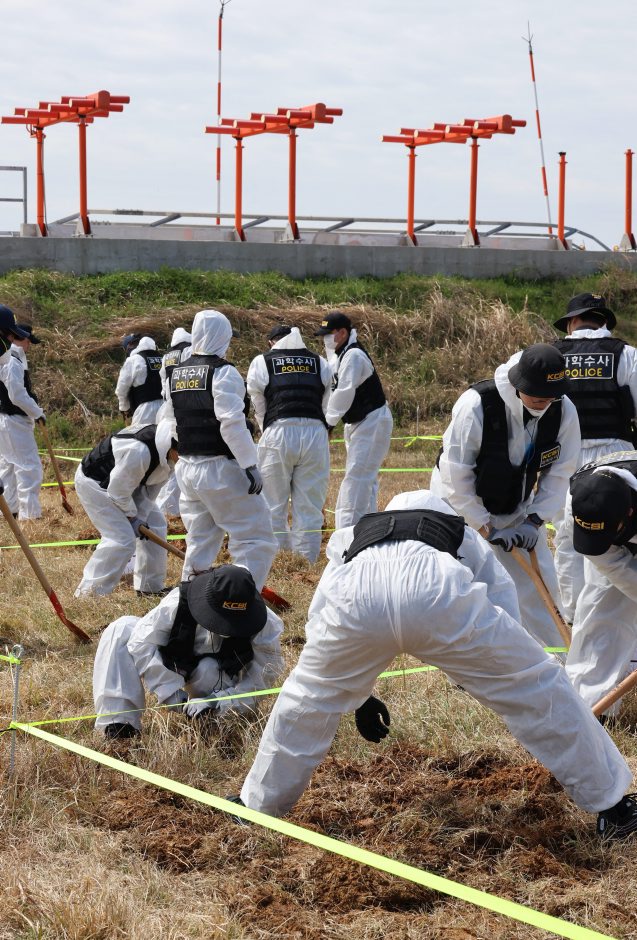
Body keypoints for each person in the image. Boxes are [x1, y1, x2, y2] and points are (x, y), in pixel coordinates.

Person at [236, 489, 637, 840]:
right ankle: (613, 807)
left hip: (356, 602)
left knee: (304, 701)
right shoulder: (460, 532)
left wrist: (356, 692)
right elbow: (501, 600)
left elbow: (320, 614)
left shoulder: (353, 534)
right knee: (541, 687)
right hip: (437, 595)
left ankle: (256, 806)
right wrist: (503, 668)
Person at [430, 343, 580, 649]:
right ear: (517, 384)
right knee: (469, 585)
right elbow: (456, 473)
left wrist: (534, 521)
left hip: (516, 506)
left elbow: (560, 472)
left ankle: (559, 657)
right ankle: (477, 658)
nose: (544, 402)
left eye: (550, 395)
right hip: (459, 507)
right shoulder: (477, 404)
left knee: (540, 585)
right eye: (536, 394)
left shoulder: (563, 410)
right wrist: (484, 527)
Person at [93, 564, 284, 739]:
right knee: (122, 628)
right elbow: (141, 642)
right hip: (173, 660)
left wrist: (218, 701)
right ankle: (118, 725)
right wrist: (170, 692)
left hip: (218, 678)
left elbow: (261, 680)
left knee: (208, 668)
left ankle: (209, 723)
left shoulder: (265, 623)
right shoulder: (177, 602)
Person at [162, 309, 277, 590]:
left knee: (200, 539)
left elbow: (172, 421)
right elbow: (231, 423)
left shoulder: (176, 373)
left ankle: (189, 600)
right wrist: (250, 464)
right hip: (220, 468)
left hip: (188, 469)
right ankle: (241, 600)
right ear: (221, 337)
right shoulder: (223, 372)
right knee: (254, 539)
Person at [552, 292, 637, 621]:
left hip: (565, 458)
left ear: (572, 322)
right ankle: (607, 616)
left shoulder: (553, 355)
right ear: (603, 321)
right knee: (609, 534)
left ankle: (573, 616)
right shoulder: (626, 355)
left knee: (568, 535)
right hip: (616, 456)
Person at [246, 324, 331, 562]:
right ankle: (306, 559)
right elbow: (326, 403)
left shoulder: (262, 361)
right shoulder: (319, 362)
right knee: (310, 506)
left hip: (278, 432)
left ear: (272, 342)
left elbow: (258, 402)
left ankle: (278, 558)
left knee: (273, 503)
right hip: (315, 433)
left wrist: (267, 427)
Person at [565, 451, 637, 720]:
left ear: (628, 513)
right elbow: (613, 566)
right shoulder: (580, 497)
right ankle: (589, 707)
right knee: (602, 610)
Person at [74, 421, 177, 597]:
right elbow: (117, 492)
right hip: (97, 485)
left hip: (127, 486)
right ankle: (89, 595)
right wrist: (131, 518)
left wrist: (140, 517)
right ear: (172, 446)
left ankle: (149, 588)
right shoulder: (139, 451)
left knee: (156, 525)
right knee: (121, 538)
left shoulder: (169, 457)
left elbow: (150, 491)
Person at [314, 311, 393, 529]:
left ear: (342, 333)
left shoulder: (354, 356)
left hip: (372, 421)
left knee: (357, 478)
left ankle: (346, 532)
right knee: (365, 478)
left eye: (328, 334)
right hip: (356, 423)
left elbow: (344, 392)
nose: (325, 339)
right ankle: (368, 529)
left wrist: (329, 423)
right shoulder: (339, 356)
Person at [0, 306, 45, 520]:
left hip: (4, 419)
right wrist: (37, 412)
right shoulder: (13, 360)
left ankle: (10, 511)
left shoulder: (7, 359)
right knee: (29, 467)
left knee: (8, 466)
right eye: (27, 340)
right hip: (14, 420)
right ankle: (30, 515)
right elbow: (17, 395)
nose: (29, 345)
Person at [157, 327, 192, 517]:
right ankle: (170, 509)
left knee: (170, 459)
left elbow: (163, 383)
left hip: (166, 409)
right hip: (184, 409)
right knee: (181, 459)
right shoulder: (189, 349)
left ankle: (167, 507)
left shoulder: (167, 356)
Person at [116, 334, 164, 425]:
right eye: (132, 344)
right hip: (165, 408)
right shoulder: (162, 358)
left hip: (145, 411)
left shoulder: (133, 360)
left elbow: (122, 388)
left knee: (143, 434)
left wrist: (124, 408)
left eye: (135, 343)